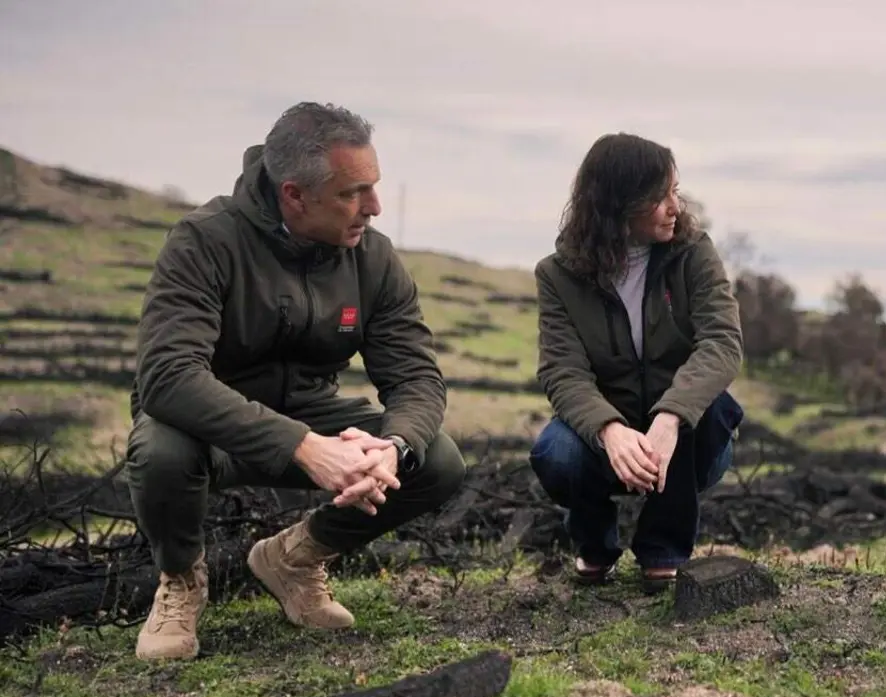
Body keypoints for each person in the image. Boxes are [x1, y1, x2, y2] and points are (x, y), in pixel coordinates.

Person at [126, 102, 466, 661]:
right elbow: (168, 376)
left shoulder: (373, 259)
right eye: (352, 193)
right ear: (294, 195)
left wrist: (393, 444)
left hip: (310, 416)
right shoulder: (204, 241)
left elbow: (415, 375)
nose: (374, 207)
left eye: (373, 188)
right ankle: (181, 580)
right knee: (159, 450)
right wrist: (302, 446)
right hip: (208, 431)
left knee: (436, 460)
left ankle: (295, 558)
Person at [529, 132, 744, 592]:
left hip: (687, 437)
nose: (675, 207)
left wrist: (669, 418)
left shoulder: (693, 253)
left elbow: (722, 342)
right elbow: (562, 370)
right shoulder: (558, 274)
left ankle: (663, 549)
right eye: (660, 196)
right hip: (606, 428)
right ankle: (595, 543)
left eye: (675, 191)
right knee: (556, 453)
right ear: (620, 204)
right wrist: (609, 430)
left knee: (711, 410)